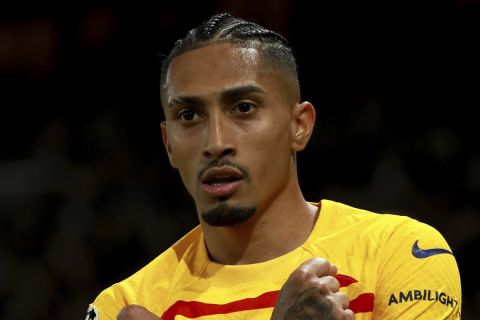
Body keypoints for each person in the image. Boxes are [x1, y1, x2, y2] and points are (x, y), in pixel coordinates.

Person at [86, 13, 461, 320]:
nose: (216, 143)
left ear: (300, 126)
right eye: (189, 115)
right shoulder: (122, 305)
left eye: (243, 108)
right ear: (168, 144)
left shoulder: (399, 252)